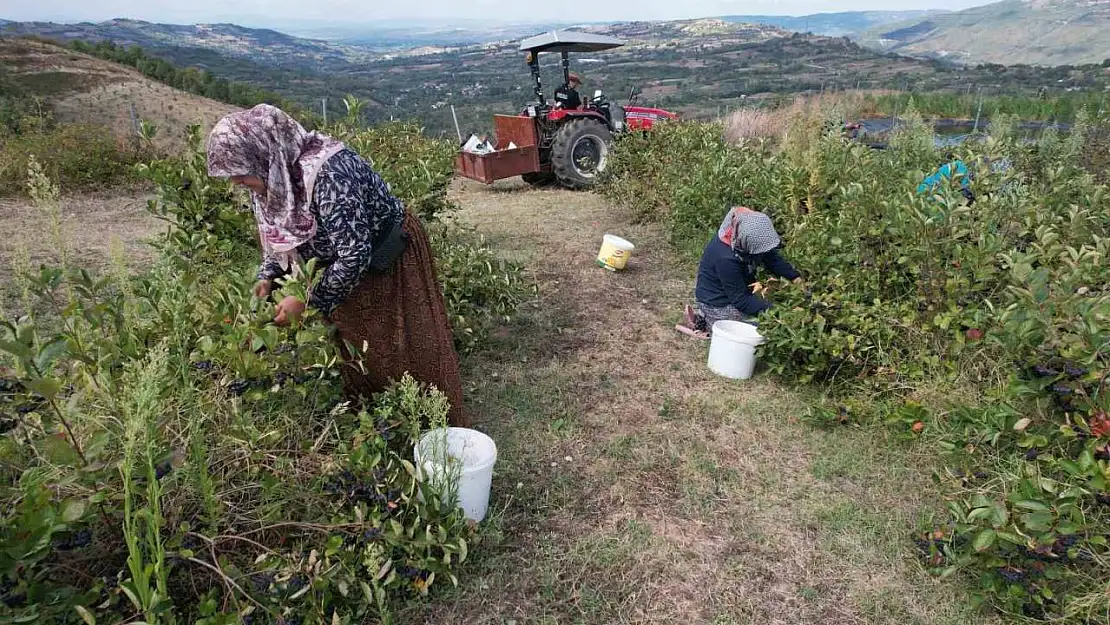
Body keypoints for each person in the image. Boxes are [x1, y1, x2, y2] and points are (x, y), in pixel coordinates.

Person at [205, 104, 468, 426]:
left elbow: (354, 253)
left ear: (264, 156)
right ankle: (383, 426)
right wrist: (267, 276)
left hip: (387, 258)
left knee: (406, 342)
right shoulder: (272, 180)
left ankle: (435, 424)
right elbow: (276, 235)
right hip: (337, 271)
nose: (235, 181)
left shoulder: (329, 172)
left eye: (239, 172)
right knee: (360, 347)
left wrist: (306, 299)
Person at [678, 206, 802, 339]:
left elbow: (771, 258)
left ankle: (704, 319)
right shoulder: (725, 258)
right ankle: (706, 322)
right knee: (764, 329)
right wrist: (782, 311)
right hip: (719, 303)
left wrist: (795, 277)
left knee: (768, 317)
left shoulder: (742, 234)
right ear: (745, 243)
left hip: (736, 291)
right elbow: (742, 301)